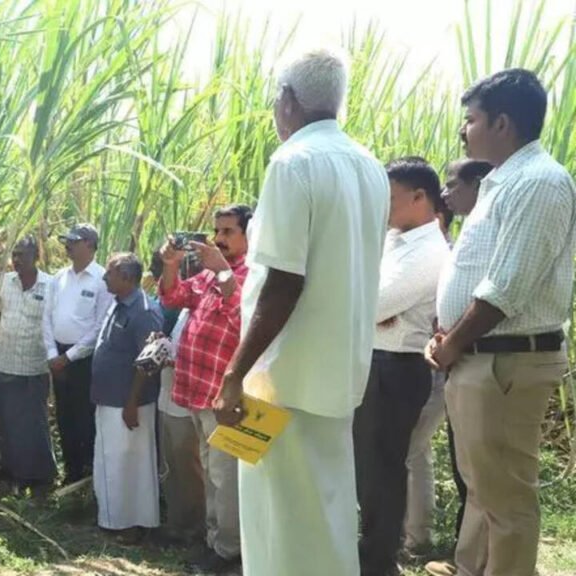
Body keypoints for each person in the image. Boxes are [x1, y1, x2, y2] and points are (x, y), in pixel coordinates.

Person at [215, 48, 389, 576]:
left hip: (282, 377)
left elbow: (283, 282)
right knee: (328, 511)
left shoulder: (292, 162)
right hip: (338, 372)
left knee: (278, 523)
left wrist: (234, 373)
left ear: (288, 101)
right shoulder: (370, 166)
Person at [426, 68, 576, 576]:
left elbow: (506, 289)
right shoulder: (501, 181)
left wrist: (452, 342)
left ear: (503, 122)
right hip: (479, 355)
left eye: (470, 120)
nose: (463, 131)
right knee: (484, 483)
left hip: (506, 362)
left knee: (508, 496)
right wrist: (447, 332)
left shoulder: (540, 183)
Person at [354, 157, 450, 576]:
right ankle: (371, 552)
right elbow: (364, 298)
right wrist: (367, 308)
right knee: (367, 468)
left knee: (383, 469)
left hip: (397, 367)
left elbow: (369, 303)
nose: (384, 207)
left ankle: (379, 563)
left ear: (419, 197)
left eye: (390, 198)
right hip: (375, 359)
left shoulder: (429, 251)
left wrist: (367, 308)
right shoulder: (394, 240)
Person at [157, 205, 251, 574]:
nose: (220, 239)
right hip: (197, 391)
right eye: (217, 231)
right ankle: (216, 542)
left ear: (247, 235)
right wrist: (170, 264)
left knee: (225, 477)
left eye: (229, 231)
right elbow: (173, 297)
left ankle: (230, 551)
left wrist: (223, 270)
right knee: (212, 472)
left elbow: (241, 314)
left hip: (223, 398)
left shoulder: (250, 273)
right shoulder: (210, 275)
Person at [407, 159, 490, 565]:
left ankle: (425, 539)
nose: (446, 193)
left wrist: (450, 342)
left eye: (453, 184)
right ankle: (466, 555)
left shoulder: (444, 250)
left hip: (460, 359)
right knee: (464, 468)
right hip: (451, 361)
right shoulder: (459, 246)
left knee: (477, 471)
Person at [91, 253, 163, 543]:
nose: (104, 277)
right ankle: (114, 520)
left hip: (128, 403)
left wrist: (132, 402)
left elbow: (150, 361)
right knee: (112, 461)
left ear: (125, 276)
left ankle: (133, 525)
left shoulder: (143, 311)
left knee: (131, 464)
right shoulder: (119, 303)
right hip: (111, 398)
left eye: (109, 273)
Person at [42, 224, 113, 484]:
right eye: (67, 241)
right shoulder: (58, 277)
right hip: (57, 358)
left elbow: (99, 326)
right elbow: (47, 318)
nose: (67, 245)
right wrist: (52, 354)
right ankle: (71, 471)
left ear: (91, 245)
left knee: (85, 417)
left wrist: (69, 357)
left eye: (74, 241)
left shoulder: (103, 279)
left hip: (83, 360)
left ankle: (89, 473)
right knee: (64, 415)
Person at [0, 237, 57, 489]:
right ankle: (11, 472)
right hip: (4, 364)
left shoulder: (50, 286)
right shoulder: (5, 282)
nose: (17, 260)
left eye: (23, 255)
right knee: (7, 422)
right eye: (14, 254)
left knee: (34, 424)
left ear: (36, 257)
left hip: (33, 367)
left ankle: (40, 478)